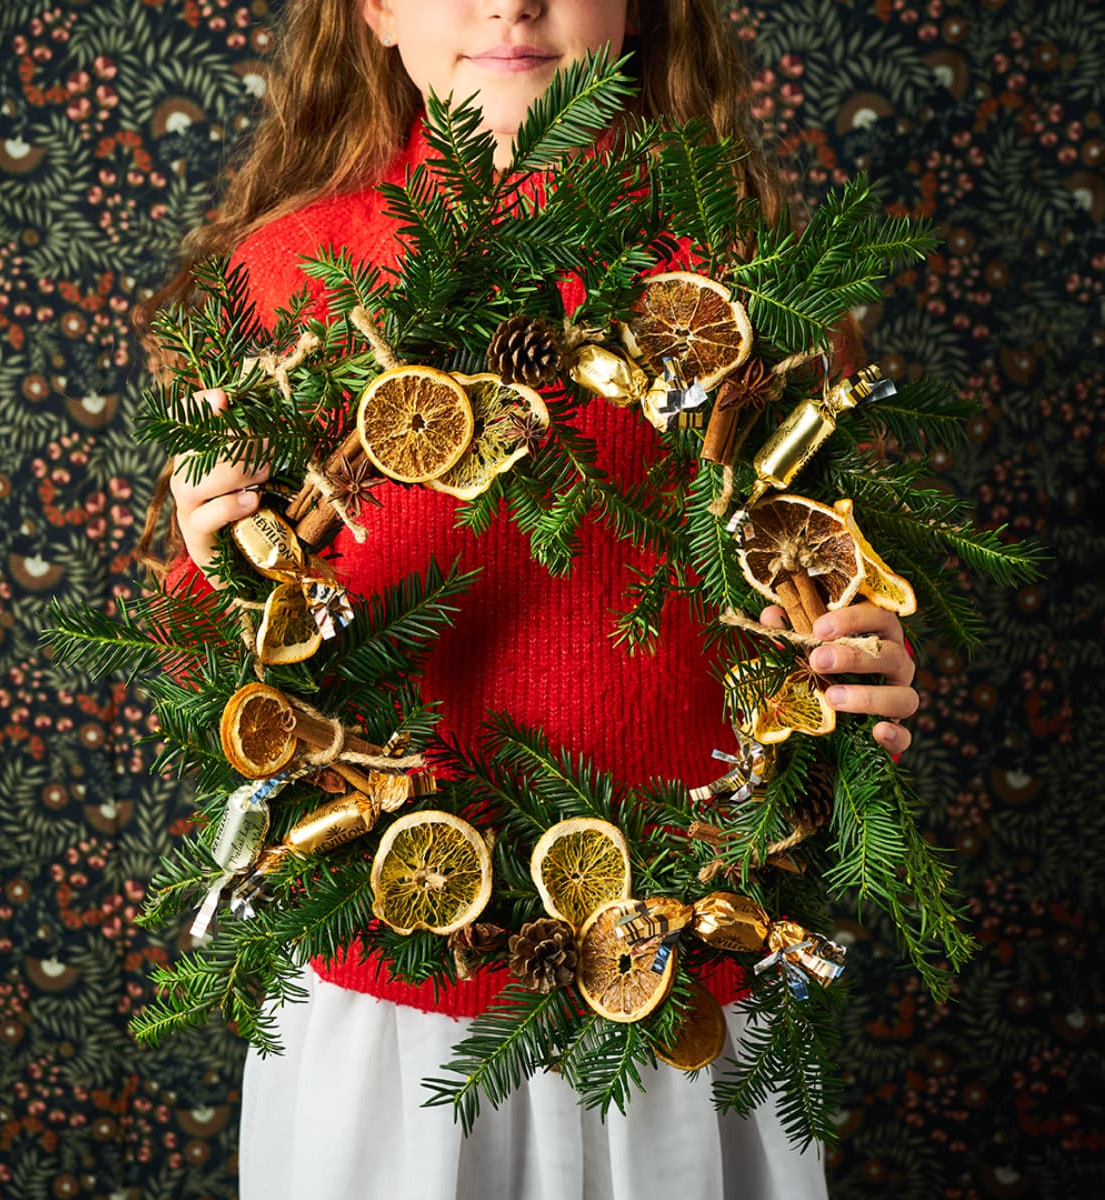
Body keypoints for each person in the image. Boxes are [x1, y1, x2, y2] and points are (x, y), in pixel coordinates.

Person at [140, 3, 919, 1197]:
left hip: (667, 992)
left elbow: (809, 585)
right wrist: (217, 569)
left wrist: (856, 665)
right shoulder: (289, 281)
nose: (512, 3)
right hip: (382, 1008)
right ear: (375, 10)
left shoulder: (738, 279)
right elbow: (219, 687)